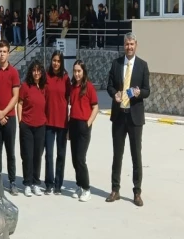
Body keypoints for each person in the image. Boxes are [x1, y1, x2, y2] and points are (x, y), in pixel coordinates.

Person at [106, 32, 150, 207]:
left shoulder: (142, 66)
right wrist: (114, 93)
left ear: (136, 45)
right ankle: (115, 190)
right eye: (127, 44)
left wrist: (139, 93)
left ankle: (137, 192)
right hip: (119, 116)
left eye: (132, 44)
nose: (129, 47)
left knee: (136, 155)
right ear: (124, 46)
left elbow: (147, 90)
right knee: (117, 155)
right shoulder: (116, 64)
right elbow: (109, 85)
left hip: (135, 117)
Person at [0, 40, 20, 196]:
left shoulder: (13, 72)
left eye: (4, 51)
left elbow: (15, 97)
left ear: (8, 53)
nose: (2, 54)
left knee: (10, 152)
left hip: (10, 118)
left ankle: (13, 181)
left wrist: (4, 113)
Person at [69, 60, 99, 203]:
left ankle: (87, 188)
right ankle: (79, 185)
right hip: (73, 124)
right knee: (75, 159)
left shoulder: (89, 87)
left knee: (81, 158)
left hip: (84, 125)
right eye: (75, 71)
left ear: (83, 72)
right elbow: (72, 107)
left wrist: (88, 123)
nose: (77, 74)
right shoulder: (72, 86)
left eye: (79, 71)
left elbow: (95, 107)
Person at [17, 60, 47, 197]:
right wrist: (20, 121)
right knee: (27, 155)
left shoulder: (43, 87)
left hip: (41, 125)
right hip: (27, 125)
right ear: (31, 72)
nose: (36, 73)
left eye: (38, 70)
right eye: (34, 70)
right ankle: (27, 183)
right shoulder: (25, 86)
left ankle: (36, 183)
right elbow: (20, 103)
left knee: (37, 155)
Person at [44, 51, 70, 195]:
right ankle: (49, 183)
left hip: (62, 123)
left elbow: (70, 99)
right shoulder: (46, 76)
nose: (56, 63)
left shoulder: (66, 78)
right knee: (48, 154)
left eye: (59, 61)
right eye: (54, 60)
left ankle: (58, 185)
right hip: (48, 122)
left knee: (60, 155)